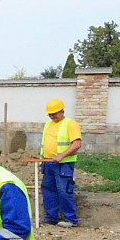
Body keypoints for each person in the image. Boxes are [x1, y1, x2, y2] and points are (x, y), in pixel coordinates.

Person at [40, 98, 82, 228]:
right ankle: (51, 217)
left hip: (64, 164)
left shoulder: (70, 124)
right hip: (48, 163)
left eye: (55, 113)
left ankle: (71, 219)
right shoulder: (48, 124)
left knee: (64, 191)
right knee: (48, 190)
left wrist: (61, 156)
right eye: (50, 114)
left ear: (62, 111)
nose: (52, 116)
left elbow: (77, 144)